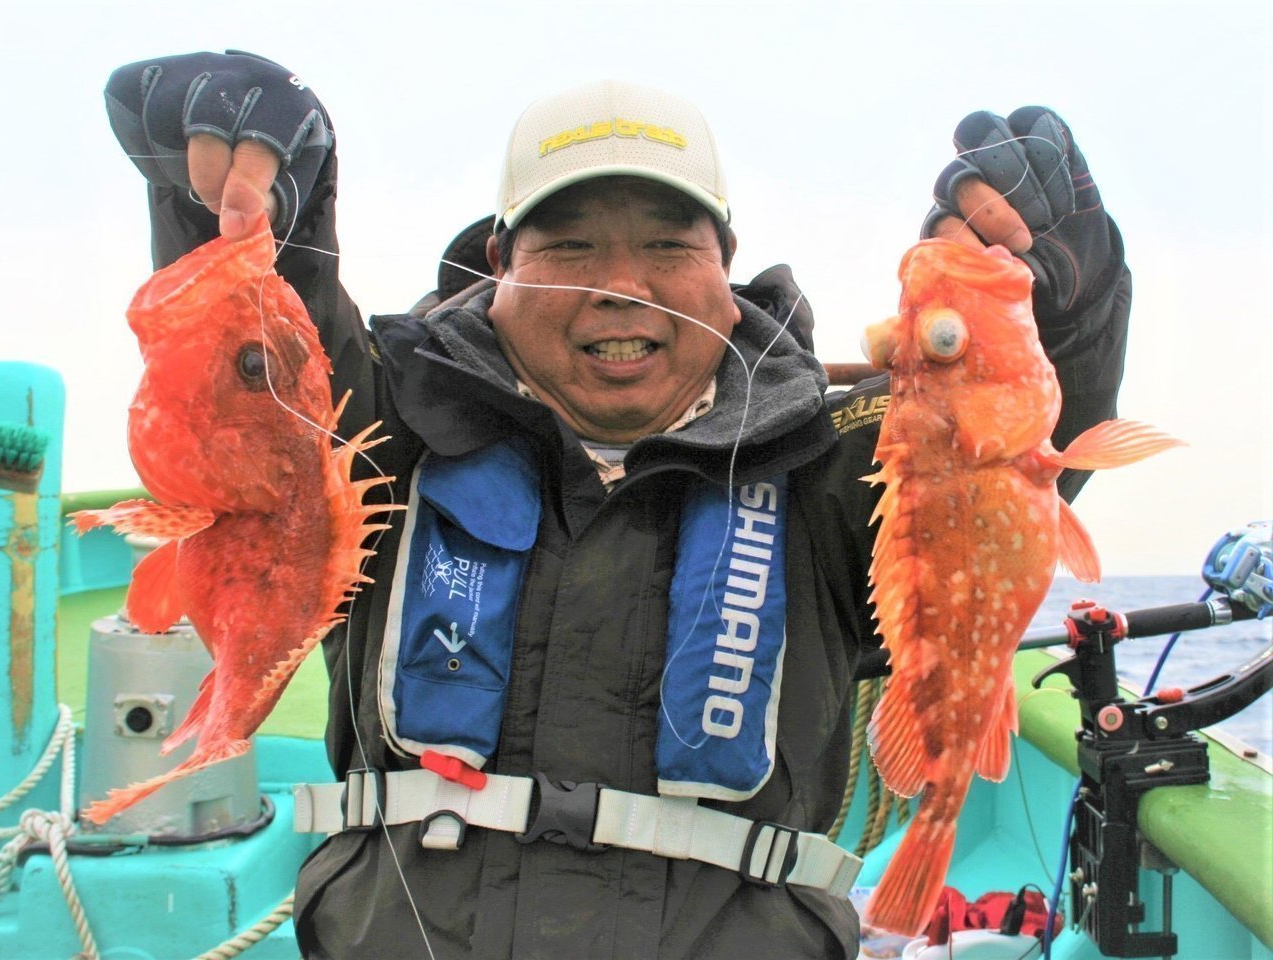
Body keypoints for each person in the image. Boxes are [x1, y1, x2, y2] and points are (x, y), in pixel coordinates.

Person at [104, 51, 1131, 960]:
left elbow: (992, 458)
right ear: (499, 268)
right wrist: (228, 198)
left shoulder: (829, 462)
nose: (621, 286)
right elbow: (257, 362)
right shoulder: (390, 424)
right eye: (571, 248)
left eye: (666, 245)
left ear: (725, 270)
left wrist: (1064, 309)